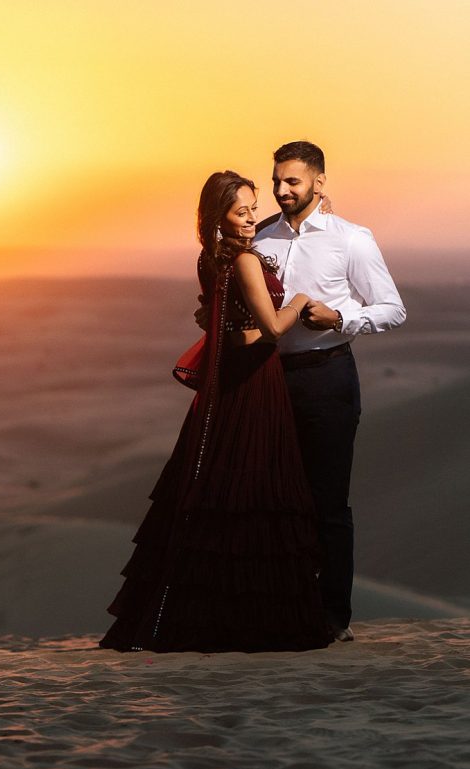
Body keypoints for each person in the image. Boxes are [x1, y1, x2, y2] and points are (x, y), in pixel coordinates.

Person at [99, 170, 332, 653]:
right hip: (253, 378)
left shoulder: (211, 256)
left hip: (231, 378)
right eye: (241, 212)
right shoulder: (244, 259)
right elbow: (270, 327)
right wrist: (303, 300)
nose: (250, 220)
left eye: (252, 210)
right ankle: (248, 622)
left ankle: (200, 617)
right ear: (219, 217)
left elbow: (216, 312)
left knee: (218, 488)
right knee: (255, 488)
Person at [249, 141, 406, 642]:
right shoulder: (261, 239)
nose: (281, 190)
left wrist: (341, 317)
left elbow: (392, 308)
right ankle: (282, 610)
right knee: (273, 497)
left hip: (328, 377)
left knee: (327, 501)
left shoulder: (352, 239)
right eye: (276, 181)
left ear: (319, 182)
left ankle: (333, 618)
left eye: (292, 181)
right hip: (268, 379)